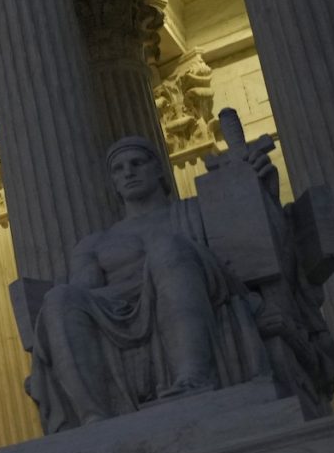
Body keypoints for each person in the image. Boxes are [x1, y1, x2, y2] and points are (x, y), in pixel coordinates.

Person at [25, 136, 271, 429]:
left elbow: (255, 246)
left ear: (159, 171)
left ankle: (192, 377)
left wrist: (261, 188)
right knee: (58, 299)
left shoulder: (196, 211)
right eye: (118, 169)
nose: (128, 172)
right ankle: (93, 415)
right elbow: (84, 291)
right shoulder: (95, 243)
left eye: (137, 163)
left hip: (192, 286)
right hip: (116, 310)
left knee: (167, 250)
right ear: (114, 183)